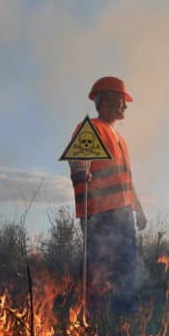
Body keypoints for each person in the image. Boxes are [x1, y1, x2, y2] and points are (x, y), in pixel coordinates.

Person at [68, 76, 147, 316]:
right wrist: (80, 173)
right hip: (98, 214)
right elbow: (77, 160)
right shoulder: (91, 128)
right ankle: (95, 321)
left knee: (127, 268)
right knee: (99, 269)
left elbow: (127, 179)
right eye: (121, 100)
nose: (125, 105)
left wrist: (139, 210)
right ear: (105, 101)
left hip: (123, 213)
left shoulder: (120, 139)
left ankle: (125, 319)